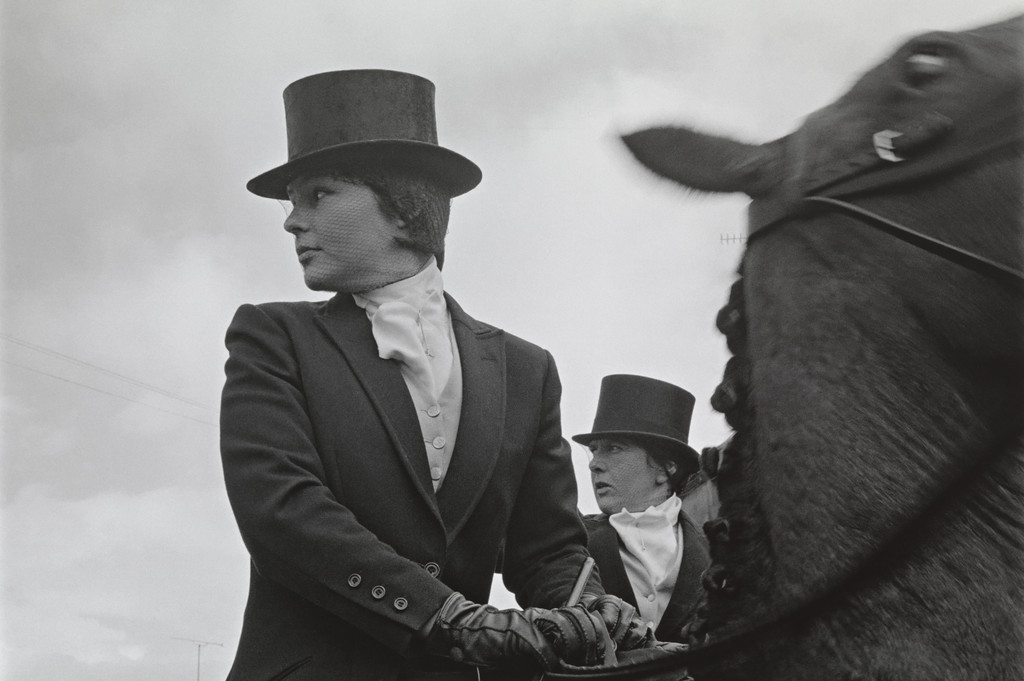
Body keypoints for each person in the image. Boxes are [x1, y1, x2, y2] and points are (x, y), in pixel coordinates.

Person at [219, 69, 653, 681]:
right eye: (293, 201)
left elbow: (547, 549)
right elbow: (280, 512)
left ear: (402, 210)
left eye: (317, 195)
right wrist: (448, 617)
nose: (291, 220)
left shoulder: (527, 370)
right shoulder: (274, 337)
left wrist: (594, 617)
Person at [573, 374, 714, 643]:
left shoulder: (717, 557)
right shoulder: (571, 540)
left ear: (666, 468)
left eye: (614, 448)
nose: (594, 464)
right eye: (593, 450)